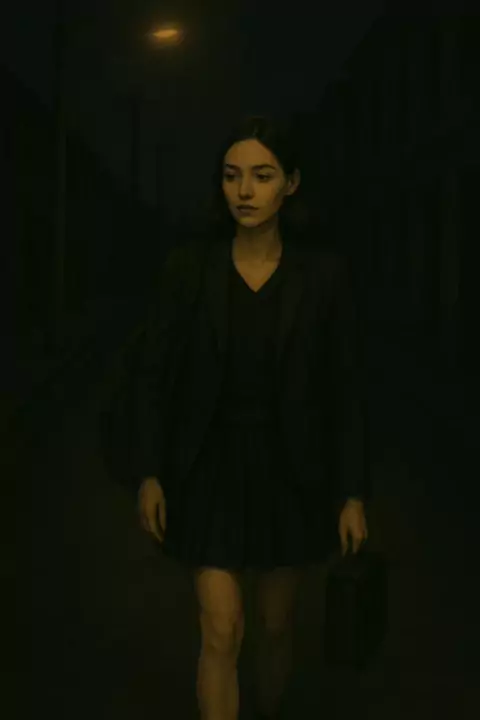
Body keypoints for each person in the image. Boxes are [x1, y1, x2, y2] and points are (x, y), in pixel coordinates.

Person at [135, 115, 369, 720]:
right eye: (231, 175)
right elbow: (154, 374)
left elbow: (344, 389)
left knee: (275, 626)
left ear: (291, 183)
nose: (243, 191)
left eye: (262, 176)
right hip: (207, 468)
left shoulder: (324, 278)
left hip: (291, 472)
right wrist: (150, 471)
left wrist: (351, 492)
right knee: (220, 629)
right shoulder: (188, 270)